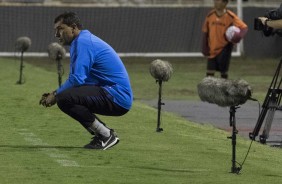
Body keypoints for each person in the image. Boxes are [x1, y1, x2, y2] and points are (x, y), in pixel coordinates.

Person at [39, 12, 133, 150]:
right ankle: (104, 135)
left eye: (60, 29)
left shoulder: (83, 42)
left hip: (117, 96)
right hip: (113, 93)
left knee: (64, 98)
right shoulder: (82, 41)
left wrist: (55, 94)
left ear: (73, 27)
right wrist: (56, 93)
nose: (56, 34)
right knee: (64, 97)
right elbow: (80, 81)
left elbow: (77, 79)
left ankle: (106, 135)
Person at [201, 0, 248, 79]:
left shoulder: (230, 16)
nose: (216, 2)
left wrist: (238, 36)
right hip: (212, 49)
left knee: (223, 75)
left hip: (224, 49)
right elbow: (205, 31)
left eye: (219, 1)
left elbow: (244, 28)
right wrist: (204, 47)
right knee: (209, 75)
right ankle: (209, 91)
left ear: (225, 3)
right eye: (215, 0)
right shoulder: (210, 15)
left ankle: (224, 90)